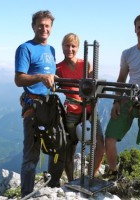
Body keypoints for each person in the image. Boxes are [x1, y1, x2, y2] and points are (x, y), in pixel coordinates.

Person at [104, 14, 140, 180]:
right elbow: (121, 79)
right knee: (110, 138)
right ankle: (113, 172)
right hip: (128, 100)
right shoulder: (128, 53)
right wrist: (116, 101)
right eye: (139, 27)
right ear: (134, 29)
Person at [14, 10, 62, 198]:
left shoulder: (51, 50)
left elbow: (50, 77)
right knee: (31, 155)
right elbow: (19, 79)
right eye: (40, 25)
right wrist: (41, 77)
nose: (44, 29)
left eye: (47, 26)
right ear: (33, 26)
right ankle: (26, 194)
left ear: (51, 28)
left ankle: (50, 187)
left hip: (50, 105)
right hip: (33, 106)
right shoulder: (25, 48)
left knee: (55, 146)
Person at [56, 33, 105, 181]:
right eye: (67, 45)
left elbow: (94, 86)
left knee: (99, 144)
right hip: (72, 111)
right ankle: (72, 181)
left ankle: (91, 177)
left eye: (73, 46)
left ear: (77, 48)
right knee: (70, 148)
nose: (70, 49)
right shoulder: (58, 68)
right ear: (62, 46)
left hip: (90, 109)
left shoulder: (86, 64)